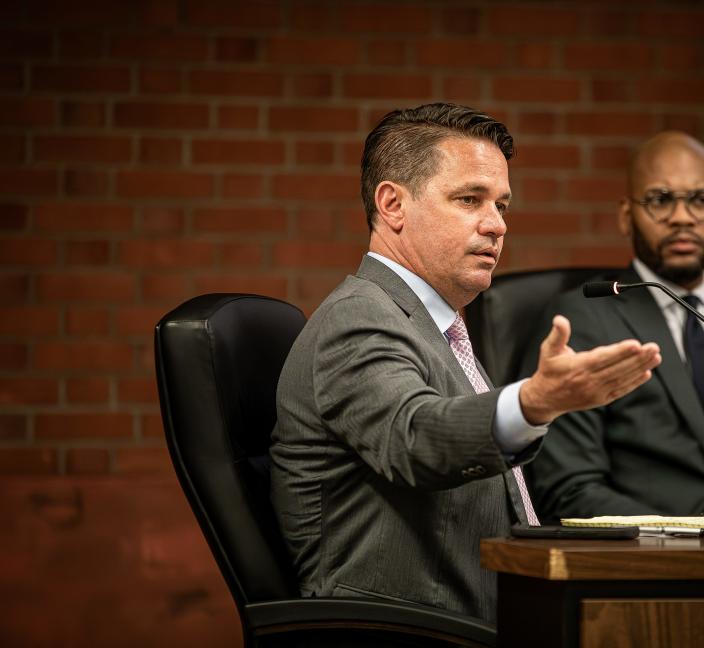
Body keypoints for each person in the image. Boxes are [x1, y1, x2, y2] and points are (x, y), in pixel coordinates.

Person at [269, 103, 661, 624]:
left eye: (502, 205)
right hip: (411, 631)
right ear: (392, 205)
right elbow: (416, 438)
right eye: (469, 199)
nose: (496, 225)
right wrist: (533, 402)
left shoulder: (435, 324)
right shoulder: (359, 320)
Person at [522, 131, 704, 521]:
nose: (682, 217)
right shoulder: (580, 323)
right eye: (660, 200)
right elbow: (568, 489)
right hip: (644, 565)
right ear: (627, 216)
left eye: (701, 200)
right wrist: (686, 536)